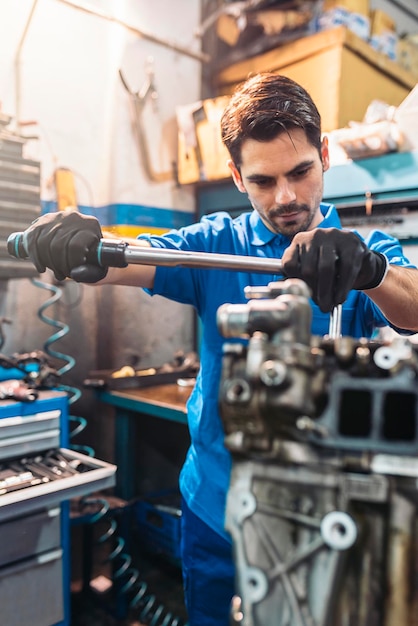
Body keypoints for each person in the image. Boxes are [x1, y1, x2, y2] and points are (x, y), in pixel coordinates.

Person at [18, 73, 418, 625]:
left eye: (301, 172)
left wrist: (370, 273)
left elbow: (414, 303)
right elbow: (133, 258)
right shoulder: (215, 243)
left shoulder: (365, 249)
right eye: (262, 180)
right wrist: (81, 246)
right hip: (215, 506)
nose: (286, 197)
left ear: (324, 156)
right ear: (236, 176)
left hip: (323, 512)